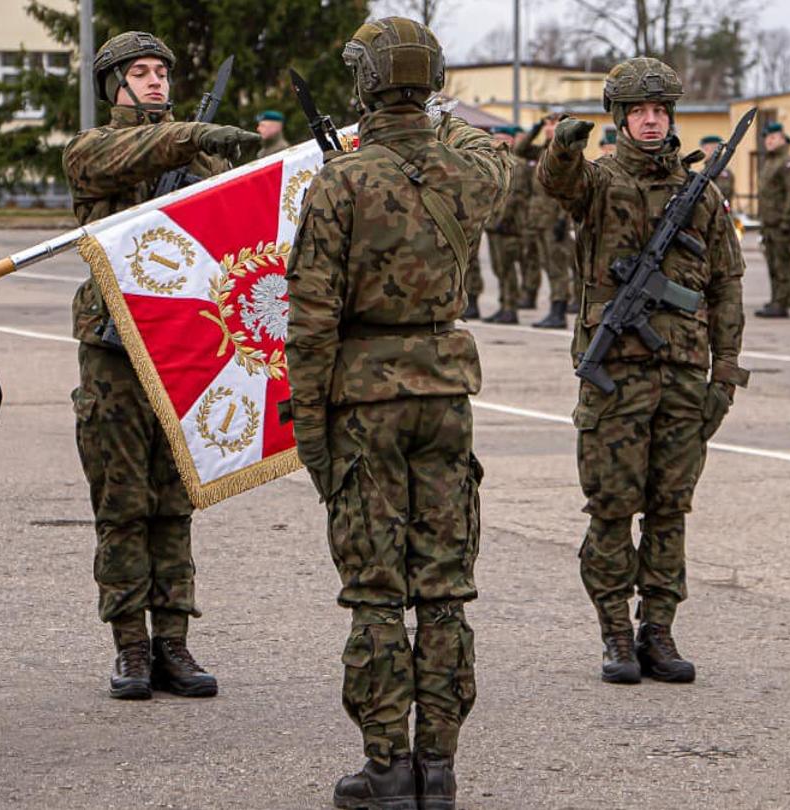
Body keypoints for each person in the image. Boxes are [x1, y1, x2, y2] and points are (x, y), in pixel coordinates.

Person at [286, 17, 510, 810]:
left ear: (364, 87)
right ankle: (440, 767)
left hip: (365, 400)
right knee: (444, 586)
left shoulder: (339, 183)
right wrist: (436, 121)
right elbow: (492, 156)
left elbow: (310, 319)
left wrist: (309, 428)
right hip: (445, 395)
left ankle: (387, 767)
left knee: (377, 590)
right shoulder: (467, 172)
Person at [538, 57, 747, 688]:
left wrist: (726, 373)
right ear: (620, 119)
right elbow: (559, 186)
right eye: (637, 112)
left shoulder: (703, 194)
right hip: (617, 378)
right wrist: (563, 150)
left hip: (684, 377)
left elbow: (727, 286)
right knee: (610, 508)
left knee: (669, 508)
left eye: (659, 111)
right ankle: (615, 633)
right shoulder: (600, 184)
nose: (651, 121)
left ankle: (659, 628)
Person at [65, 31, 259, 702]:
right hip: (114, 350)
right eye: (140, 73)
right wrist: (193, 137)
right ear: (113, 87)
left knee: (173, 502)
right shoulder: (91, 151)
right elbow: (132, 153)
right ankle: (130, 647)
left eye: (160, 72)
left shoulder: (193, 152)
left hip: (179, 348)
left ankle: (174, 640)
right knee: (122, 502)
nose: (154, 82)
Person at [516, 114, 577, 328]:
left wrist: (563, 219)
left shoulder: (566, 154)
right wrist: (537, 127)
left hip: (554, 220)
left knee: (558, 267)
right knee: (548, 266)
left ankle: (558, 312)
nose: (550, 128)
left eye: (554, 125)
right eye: (549, 124)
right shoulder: (544, 151)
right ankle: (554, 309)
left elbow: (569, 189)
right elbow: (520, 150)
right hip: (539, 219)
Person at [754, 122, 790, 318]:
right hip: (768, 223)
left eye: (773, 137)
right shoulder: (769, 162)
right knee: (773, 264)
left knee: (781, 264)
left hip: (780, 223)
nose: (769, 141)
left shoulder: (786, 162)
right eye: (767, 138)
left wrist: (786, 221)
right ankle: (777, 299)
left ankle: (781, 303)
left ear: (782, 138)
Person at [483, 124, 528, 324]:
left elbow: (515, 197)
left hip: (510, 226)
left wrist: (502, 220)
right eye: (495, 138)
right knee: (499, 268)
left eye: (502, 138)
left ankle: (511, 308)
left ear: (510, 141)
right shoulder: (491, 164)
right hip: (493, 225)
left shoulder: (517, 165)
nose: (497, 142)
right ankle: (503, 306)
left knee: (508, 268)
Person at [699, 133, 734, 206]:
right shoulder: (704, 171)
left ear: (715, 149)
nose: (702, 152)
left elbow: (723, 191)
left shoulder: (723, 172)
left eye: (706, 149)